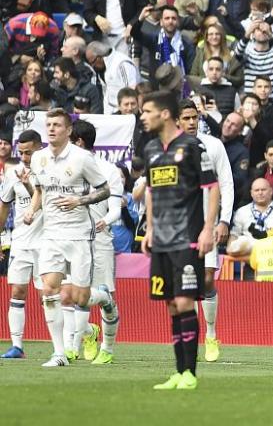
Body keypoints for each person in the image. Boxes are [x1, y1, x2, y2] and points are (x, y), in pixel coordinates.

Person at [23, 108, 114, 367]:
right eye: (48, 124)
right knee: (50, 290)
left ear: (68, 130)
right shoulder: (38, 158)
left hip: (79, 235)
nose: (51, 129)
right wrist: (32, 208)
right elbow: (40, 190)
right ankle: (59, 353)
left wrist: (79, 200)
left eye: (57, 125)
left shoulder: (83, 158)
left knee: (79, 298)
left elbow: (105, 190)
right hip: (51, 234)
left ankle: (104, 298)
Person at [141, 91, 219, 390]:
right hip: (161, 239)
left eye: (147, 111)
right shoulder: (151, 149)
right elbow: (150, 190)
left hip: (187, 237)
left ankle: (190, 373)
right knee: (172, 305)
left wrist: (207, 228)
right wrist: (149, 228)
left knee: (186, 302)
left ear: (163, 114)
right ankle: (178, 371)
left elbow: (212, 188)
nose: (143, 117)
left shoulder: (191, 146)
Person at [178, 99, 234, 363]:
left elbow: (226, 183)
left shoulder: (213, 145)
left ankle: (211, 334)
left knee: (208, 279)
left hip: (207, 224)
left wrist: (224, 220)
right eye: (186, 118)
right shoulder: (168, 148)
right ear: (176, 120)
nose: (191, 122)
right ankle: (191, 337)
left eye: (194, 117)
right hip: (178, 226)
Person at [69, 120, 123, 364]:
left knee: (105, 297)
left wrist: (106, 221)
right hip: (70, 238)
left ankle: (108, 349)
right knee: (67, 294)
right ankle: (86, 335)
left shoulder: (108, 170)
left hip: (100, 240)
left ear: (79, 142)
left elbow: (115, 210)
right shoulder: (64, 169)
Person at [0, 130, 43, 358]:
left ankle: (67, 343)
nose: (25, 157)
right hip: (21, 242)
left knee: (49, 295)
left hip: (47, 242)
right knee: (17, 291)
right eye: (22, 152)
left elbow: (45, 202)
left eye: (29, 152)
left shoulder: (49, 171)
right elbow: (5, 206)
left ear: (39, 147)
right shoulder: (12, 174)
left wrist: (29, 186)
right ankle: (17, 346)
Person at [86, 41, 140, 114]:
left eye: (92, 62)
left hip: (125, 112)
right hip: (111, 112)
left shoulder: (121, 63)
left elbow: (131, 89)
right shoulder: (102, 68)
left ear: (99, 58)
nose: (93, 66)